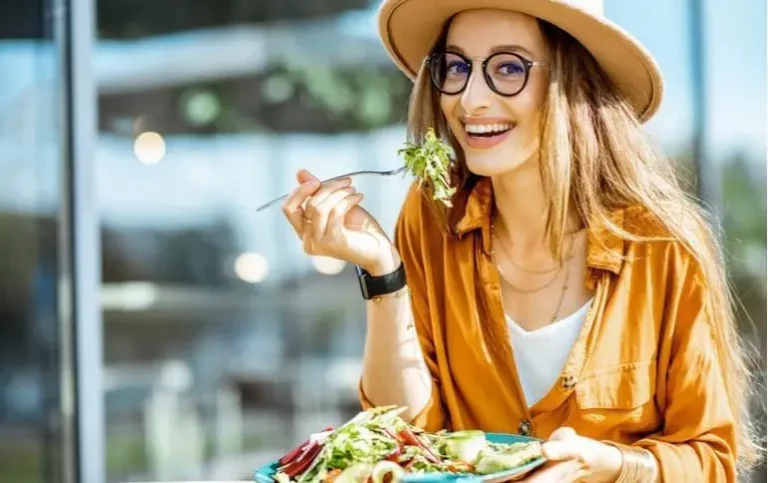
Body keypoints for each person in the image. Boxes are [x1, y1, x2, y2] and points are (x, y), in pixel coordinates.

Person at [280, 0, 761, 481]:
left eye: (508, 68)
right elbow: (403, 436)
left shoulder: (661, 243)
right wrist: (384, 269)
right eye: (456, 67)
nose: (469, 100)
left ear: (574, 82)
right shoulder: (431, 216)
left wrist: (612, 465)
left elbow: (710, 459)